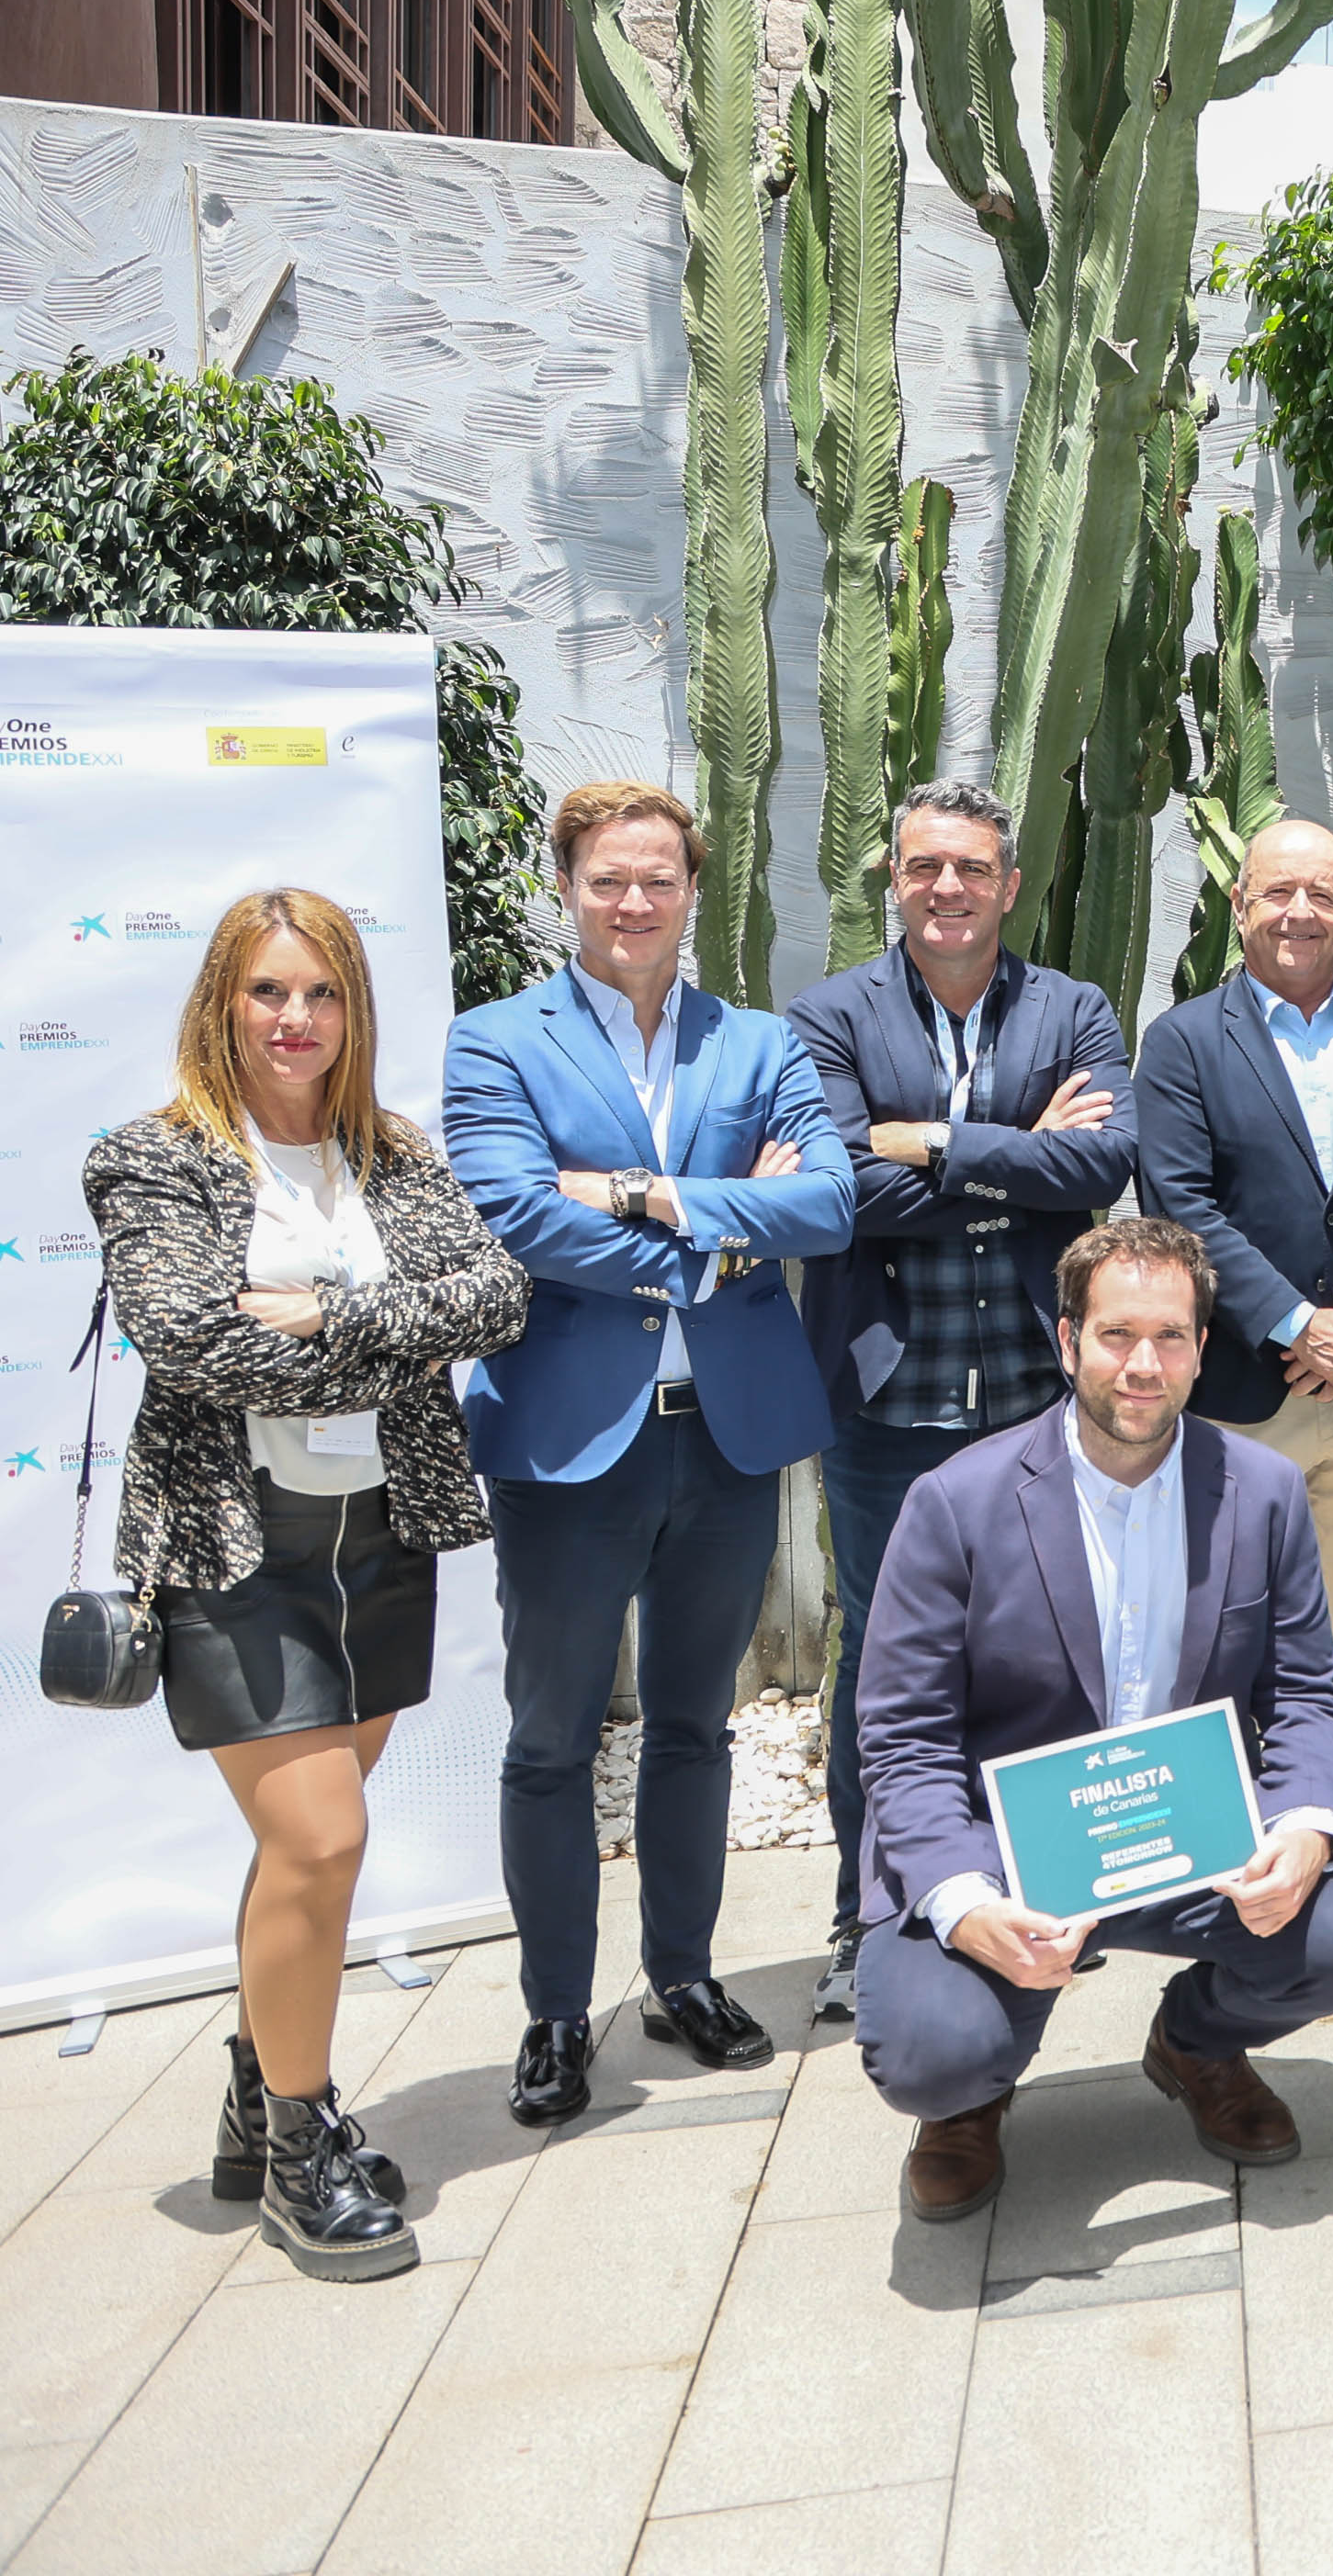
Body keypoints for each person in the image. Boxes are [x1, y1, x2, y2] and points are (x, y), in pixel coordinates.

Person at [82, 893, 529, 2280]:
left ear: (354, 1011)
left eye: (323, 993)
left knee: (301, 1855)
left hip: (380, 1539)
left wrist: (326, 1312)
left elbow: (496, 1296)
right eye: (270, 991)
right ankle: (299, 2149)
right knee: (324, 1841)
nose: (297, 1019)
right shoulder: (152, 1160)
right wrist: (393, 1337)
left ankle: (253, 2086)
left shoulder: (390, 1153)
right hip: (238, 1548)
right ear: (223, 1001)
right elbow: (190, 1339)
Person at [443, 781, 855, 2128]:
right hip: (569, 1448)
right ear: (567, 888)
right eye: (608, 879)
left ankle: (683, 1973)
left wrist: (639, 1193)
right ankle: (558, 2014)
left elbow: (831, 1200)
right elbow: (514, 1214)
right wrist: (726, 1238)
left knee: (695, 1726)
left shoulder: (759, 1041)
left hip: (725, 1443)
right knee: (552, 1739)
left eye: (658, 879)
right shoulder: (496, 1042)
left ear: (691, 890)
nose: (634, 902)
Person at [849, 1220, 1333, 2219]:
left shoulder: (1264, 1491)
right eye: (1116, 1335)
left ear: (1201, 1347)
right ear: (1068, 1342)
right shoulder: (954, 1503)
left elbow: (1305, 1695)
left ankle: (1195, 2042)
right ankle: (971, 2098)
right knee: (933, 2054)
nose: (1144, 1366)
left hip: (1193, 1834)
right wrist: (965, 1902)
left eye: (1170, 1337)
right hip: (1004, 1848)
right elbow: (904, 1738)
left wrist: (1305, 1827)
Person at [787, 780, 1135, 2019]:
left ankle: (1045, 1888)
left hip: (1045, 1396)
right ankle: (870, 1915)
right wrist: (1017, 1150)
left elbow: (1104, 1161)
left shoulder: (1072, 1008)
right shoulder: (829, 1014)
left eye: (973, 868)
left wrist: (928, 1140)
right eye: (926, 866)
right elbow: (835, 1187)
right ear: (895, 879)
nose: (949, 888)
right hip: (890, 1403)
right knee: (887, 1665)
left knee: (1049, 1647)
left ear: (1010, 885)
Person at [1130, 817, 1333, 1837]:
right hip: (1241, 1390)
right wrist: (1294, 1322)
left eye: (1321, 894)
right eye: (1278, 892)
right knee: (1219, 1624)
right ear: (1241, 907)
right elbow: (1180, 1199)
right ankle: (1221, 1841)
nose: (1299, 912)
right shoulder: (1183, 1042)